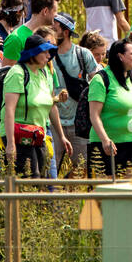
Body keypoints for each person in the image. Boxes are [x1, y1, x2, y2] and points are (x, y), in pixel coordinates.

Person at [2, 28, 71, 177]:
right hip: (19, 135)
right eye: (45, 51)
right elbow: (9, 110)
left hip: (37, 135)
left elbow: (51, 107)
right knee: (30, 178)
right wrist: (10, 143)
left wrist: (61, 136)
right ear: (33, 53)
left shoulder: (44, 73)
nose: (48, 55)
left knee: (41, 181)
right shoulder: (17, 73)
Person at [87, 39, 132, 177]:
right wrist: (105, 140)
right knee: (105, 192)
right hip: (109, 145)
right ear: (120, 56)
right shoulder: (101, 79)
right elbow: (94, 115)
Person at [52, 12, 98, 168]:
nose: (50, 30)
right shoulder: (46, 55)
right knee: (50, 172)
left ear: (65, 33)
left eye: (54, 28)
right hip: (53, 123)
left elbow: (98, 82)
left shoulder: (83, 54)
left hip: (79, 124)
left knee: (83, 169)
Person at [3, 0, 61, 64]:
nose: (56, 15)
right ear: (45, 11)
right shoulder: (16, 39)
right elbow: (7, 73)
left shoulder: (46, 35)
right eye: (55, 11)